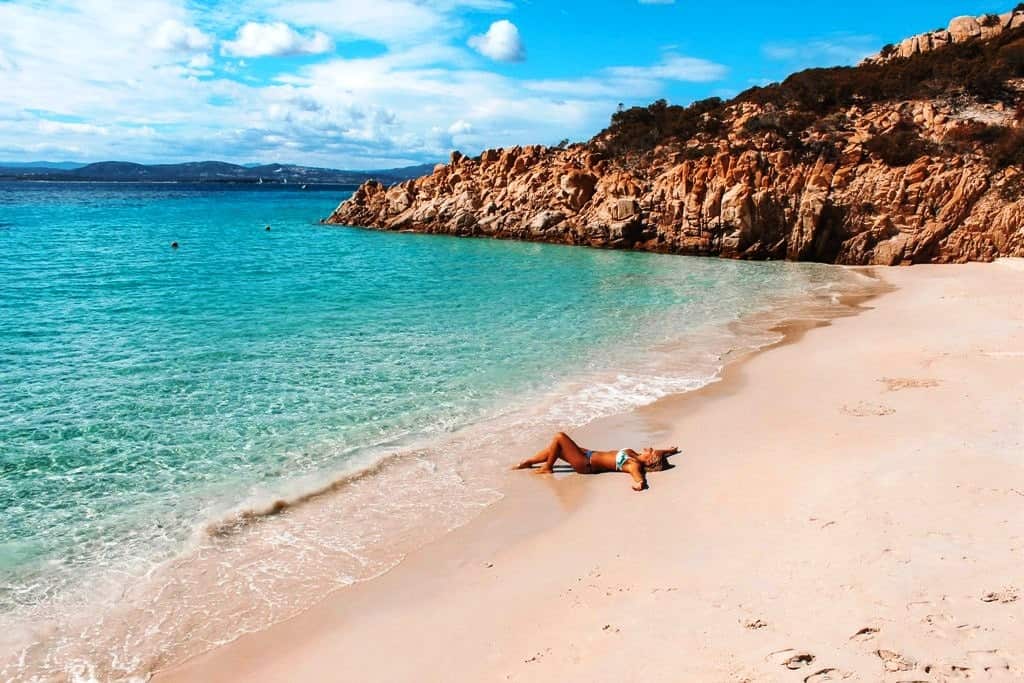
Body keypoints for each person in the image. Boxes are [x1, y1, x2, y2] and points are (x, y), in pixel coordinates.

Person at [513, 431, 678, 492]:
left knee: (559, 437)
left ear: (650, 459)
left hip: (586, 464)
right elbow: (661, 454)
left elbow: (638, 477)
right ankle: (528, 462)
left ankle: (547, 467)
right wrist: (671, 451)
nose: (649, 447)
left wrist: (640, 484)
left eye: (651, 450)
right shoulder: (634, 454)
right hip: (589, 454)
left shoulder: (633, 464)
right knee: (555, 449)